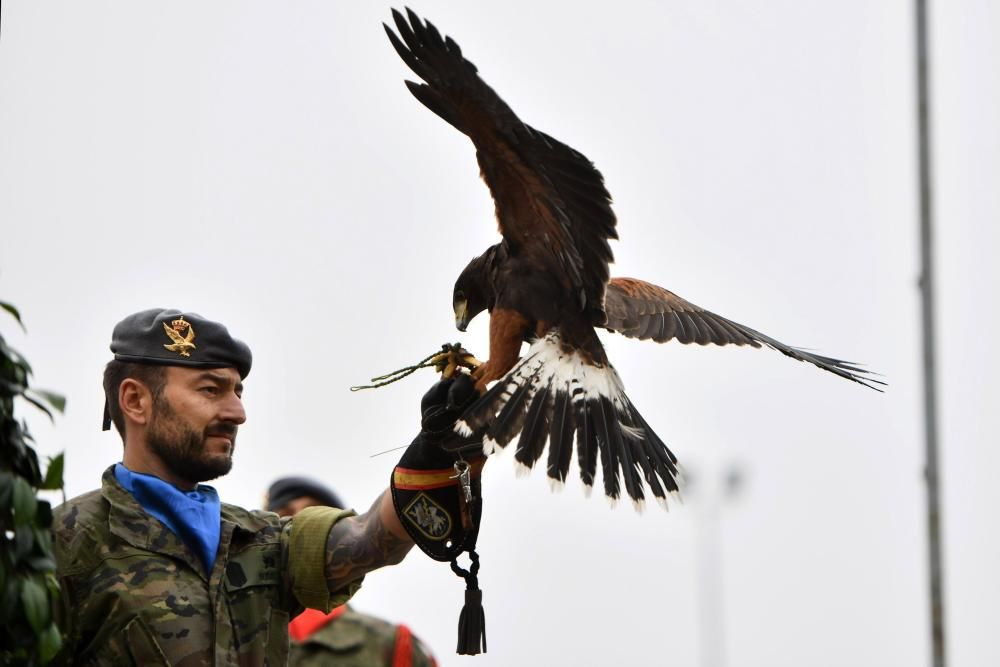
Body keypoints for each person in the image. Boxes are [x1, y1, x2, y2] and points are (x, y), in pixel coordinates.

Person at [51, 308, 472, 665]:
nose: (237, 412)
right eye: (211, 390)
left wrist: (441, 446)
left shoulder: (260, 540)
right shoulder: (64, 540)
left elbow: (371, 539)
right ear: (135, 401)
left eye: (238, 391)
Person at [266, 477, 438, 667]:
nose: (298, 524)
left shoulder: (390, 645)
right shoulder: (234, 624)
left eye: (315, 514)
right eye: (285, 516)